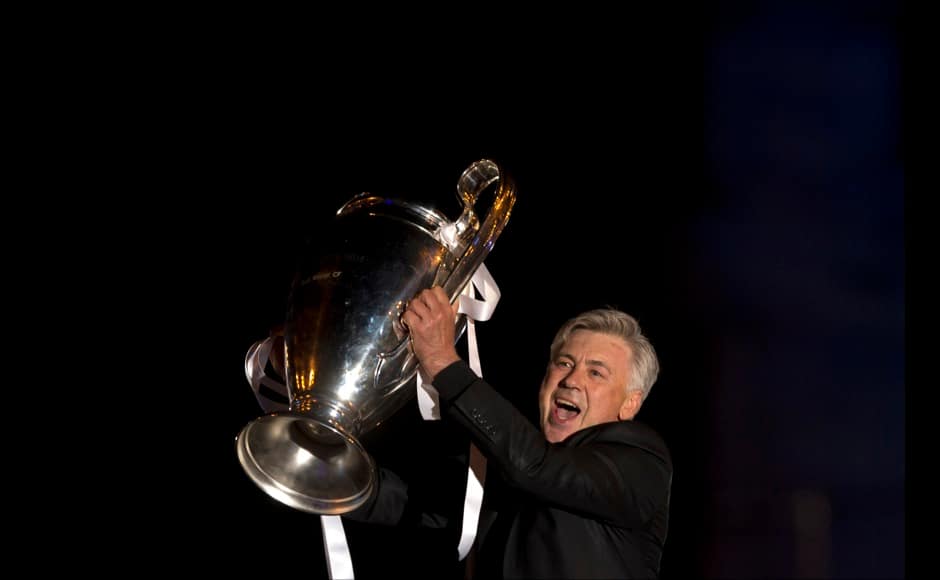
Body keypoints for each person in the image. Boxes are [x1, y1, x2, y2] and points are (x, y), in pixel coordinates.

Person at [344, 285, 673, 579]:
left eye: (596, 373)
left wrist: (442, 361)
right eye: (564, 363)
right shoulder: (502, 470)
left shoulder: (642, 461)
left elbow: (534, 467)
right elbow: (396, 499)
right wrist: (317, 455)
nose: (572, 380)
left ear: (630, 404)